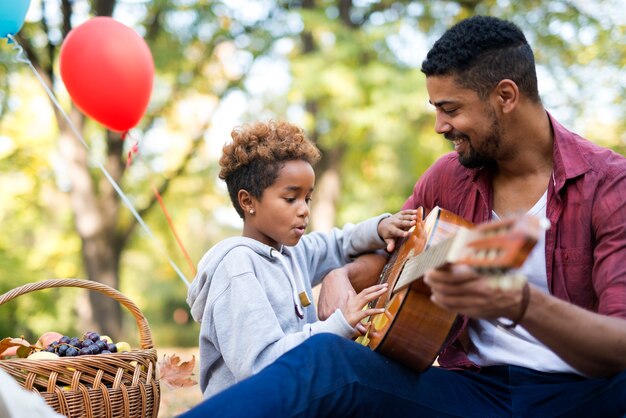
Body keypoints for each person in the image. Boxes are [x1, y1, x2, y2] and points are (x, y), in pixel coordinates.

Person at [180, 16, 626, 417]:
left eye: (450, 109)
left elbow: (619, 344)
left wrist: (521, 303)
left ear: (505, 96)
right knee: (328, 360)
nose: (439, 126)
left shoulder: (609, 185)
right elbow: (394, 256)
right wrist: (343, 275)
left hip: (585, 393)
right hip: (471, 391)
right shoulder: (447, 179)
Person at [186, 120, 417, 399]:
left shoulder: (293, 252)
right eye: (290, 198)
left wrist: (379, 228)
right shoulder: (236, 268)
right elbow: (261, 365)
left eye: (307, 198)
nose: (304, 210)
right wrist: (339, 325)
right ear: (248, 202)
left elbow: (338, 243)